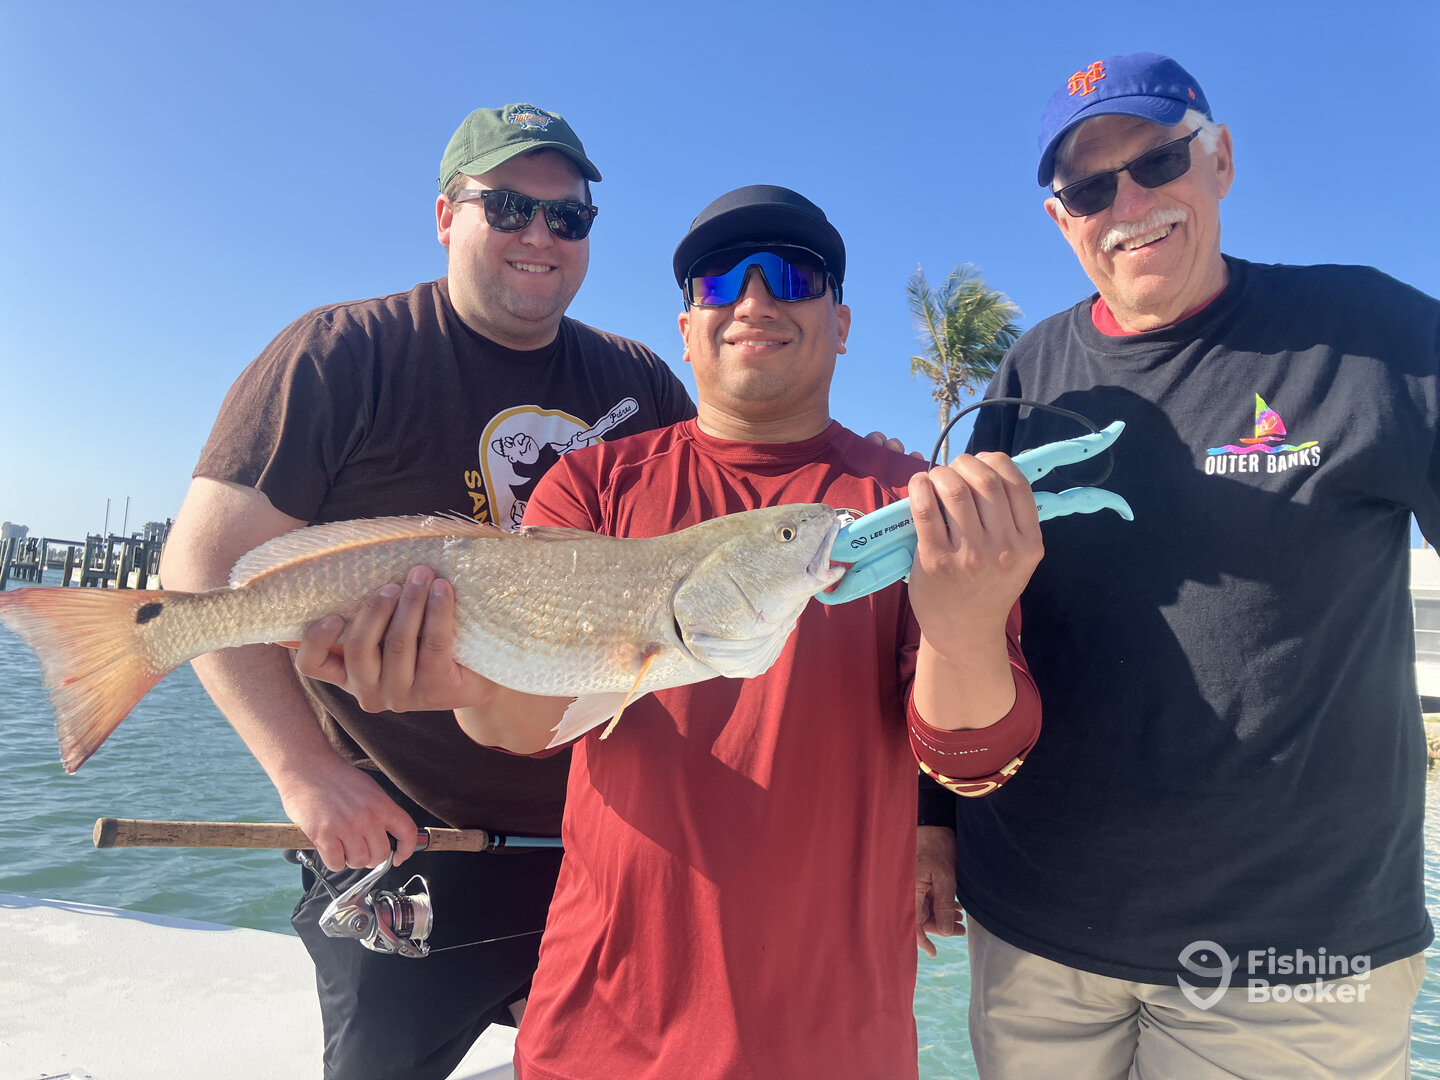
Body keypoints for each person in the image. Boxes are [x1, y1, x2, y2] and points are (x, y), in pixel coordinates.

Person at [297, 184, 1046, 1078]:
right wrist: (463, 682)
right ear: (687, 329)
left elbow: (972, 759)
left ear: (842, 324)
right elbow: (524, 727)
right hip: (602, 1027)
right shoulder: (591, 487)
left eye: (794, 276)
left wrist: (966, 627)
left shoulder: (910, 505)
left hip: (834, 1037)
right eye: (720, 281)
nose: (755, 300)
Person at [917, 52, 1440, 1078]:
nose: (1128, 205)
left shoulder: (1375, 336)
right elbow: (972, 613)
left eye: (1158, 162)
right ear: (1061, 219)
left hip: (1295, 957)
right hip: (1033, 932)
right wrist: (933, 822)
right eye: (1088, 189)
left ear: (1221, 160)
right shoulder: (1029, 373)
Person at [158, 104, 697, 1079]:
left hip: (604, 836)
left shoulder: (642, 381)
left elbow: (700, 555)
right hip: (400, 838)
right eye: (509, 208)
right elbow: (200, 577)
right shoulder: (338, 354)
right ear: (447, 216)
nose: (541, 236)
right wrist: (305, 774)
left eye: (568, 217)